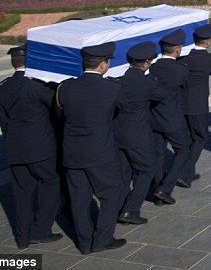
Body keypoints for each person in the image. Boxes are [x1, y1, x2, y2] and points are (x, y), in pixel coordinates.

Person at [55, 42, 126, 254]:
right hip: (100, 153)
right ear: (103, 64)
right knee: (112, 194)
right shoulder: (112, 88)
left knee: (79, 200)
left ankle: (84, 242)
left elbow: (59, 116)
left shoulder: (65, 88)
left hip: (73, 153)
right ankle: (102, 238)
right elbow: (120, 110)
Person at [0, 45, 62, 250]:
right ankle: (41, 230)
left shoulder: (3, 87)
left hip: (15, 147)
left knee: (22, 193)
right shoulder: (37, 85)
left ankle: (22, 237)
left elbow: (4, 122)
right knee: (50, 185)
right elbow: (56, 111)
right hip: (41, 147)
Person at [114, 41, 168, 226]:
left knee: (124, 173)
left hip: (118, 133)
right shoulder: (146, 83)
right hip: (138, 135)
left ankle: (119, 206)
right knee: (146, 169)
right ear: (145, 63)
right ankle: (131, 209)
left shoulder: (120, 80)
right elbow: (162, 94)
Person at [148, 29, 191, 205]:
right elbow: (186, 87)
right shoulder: (180, 70)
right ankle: (164, 188)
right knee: (182, 150)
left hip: (154, 118)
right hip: (172, 118)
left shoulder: (153, 67)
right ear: (178, 50)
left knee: (158, 155)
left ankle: (159, 193)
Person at [180, 24, 211, 187]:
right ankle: (185, 171)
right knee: (200, 137)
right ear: (208, 41)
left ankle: (187, 171)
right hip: (198, 106)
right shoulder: (208, 60)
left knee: (187, 138)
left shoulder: (184, 59)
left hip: (182, 103)